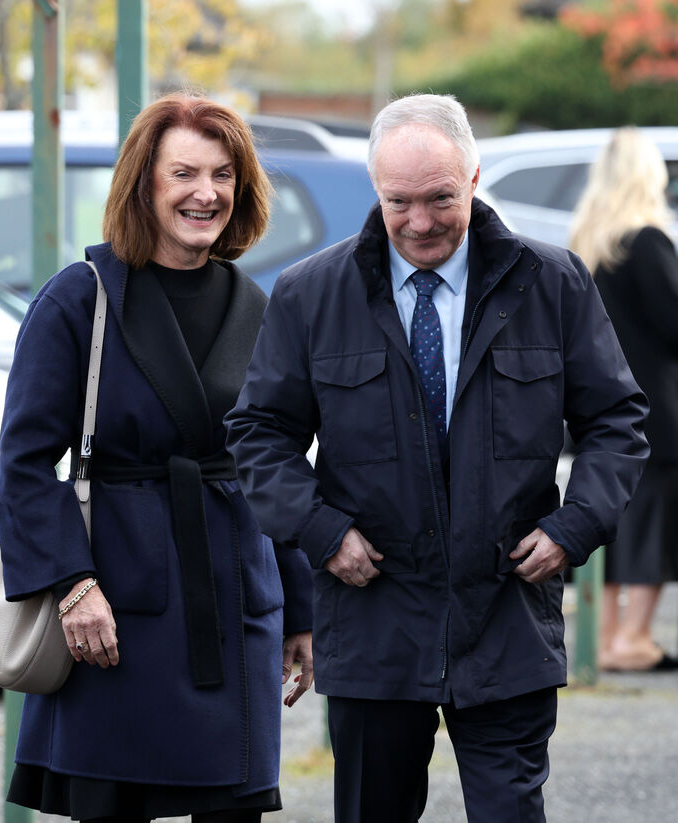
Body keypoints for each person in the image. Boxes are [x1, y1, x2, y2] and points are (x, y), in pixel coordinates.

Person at [225, 94, 649, 823]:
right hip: (373, 622)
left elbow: (617, 420)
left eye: (440, 198)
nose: (420, 222)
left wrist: (574, 527)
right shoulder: (310, 294)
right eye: (400, 201)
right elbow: (259, 434)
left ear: (475, 177)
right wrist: (322, 532)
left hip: (507, 615)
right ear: (374, 190)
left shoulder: (552, 284)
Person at [0, 92, 315, 823]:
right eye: (185, 174)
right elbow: (23, 462)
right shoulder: (81, 299)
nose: (207, 193)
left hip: (236, 603)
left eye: (224, 175)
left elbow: (277, 463)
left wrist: (300, 605)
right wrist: (72, 585)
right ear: (144, 183)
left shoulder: (256, 305)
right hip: (115, 608)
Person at [569, 127, 678, 672]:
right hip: (657, 407)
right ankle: (632, 637)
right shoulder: (648, 241)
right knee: (656, 520)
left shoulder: (585, 241)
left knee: (612, 515)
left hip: (597, 402)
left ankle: (604, 633)